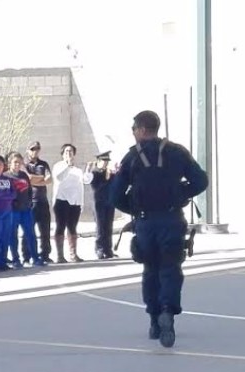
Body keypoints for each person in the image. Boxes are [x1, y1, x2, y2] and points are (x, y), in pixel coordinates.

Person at [110, 110, 208, 348]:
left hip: (145, 223)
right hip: (172, 219)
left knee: (150, 269)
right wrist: (179, 194)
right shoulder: (177, 152)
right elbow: (200, 181)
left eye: (134, 129)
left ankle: (154, 320)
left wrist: (134, 207)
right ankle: (167, 311)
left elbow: (114, 195)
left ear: (142, 130)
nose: (133, 134)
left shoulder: (132, 157)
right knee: (171, 268)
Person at [51, 143, 92, 263]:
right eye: (66, 152)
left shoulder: (77, 170)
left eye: (71, 152)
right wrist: (67, 166)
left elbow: (86, 181)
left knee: (72, 227)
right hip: (62, 201)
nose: (69, 154)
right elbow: (59, 178)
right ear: (63, 154)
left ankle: (73, 254)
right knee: (60, 226)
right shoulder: (58, 166)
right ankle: (59, 255)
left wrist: (88, 171)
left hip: (75, 202)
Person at [25, 141, 53, 263]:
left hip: (43, 201)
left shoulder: (43, 164)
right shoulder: (25, 165)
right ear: (28, 151)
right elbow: (28, 179)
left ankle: (45, 255)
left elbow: (49, 178)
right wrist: (39, 179)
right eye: (32, 149)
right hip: (30, 202)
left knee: (45, 231)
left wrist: (35, 180)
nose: (34, 151)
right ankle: (27, 256)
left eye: (37, 149)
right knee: (28, 231)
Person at [89, 151, 117, 259]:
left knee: (108, 225)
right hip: (98, 202)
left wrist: (115, 174)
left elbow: (115, 185)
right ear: (99, 161)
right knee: (100, 226)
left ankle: (108, 249)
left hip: (109, 201)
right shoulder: (94, 173)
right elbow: (96, 187)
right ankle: (99, 249)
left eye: (107, 161)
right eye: (104, 161)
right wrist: (106, 178)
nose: (105, 164)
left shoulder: (109, 172)